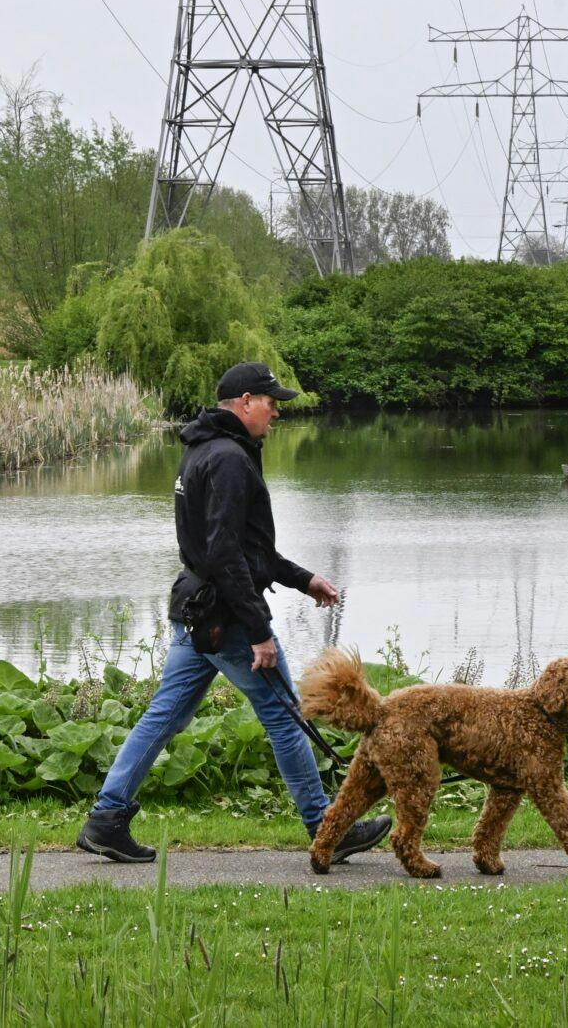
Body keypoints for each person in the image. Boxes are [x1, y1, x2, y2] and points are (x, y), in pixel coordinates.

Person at [74, 362, 392, 865]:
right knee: (286, 719)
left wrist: (302, 579)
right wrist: (260, 631)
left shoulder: (204, 449)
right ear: (245, 401)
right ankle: (326, 827)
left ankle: (107, 818)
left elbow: (242, 548)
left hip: (196, 610)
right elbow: (226, 555)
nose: (276, 412)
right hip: (226, 618)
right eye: (271, 402)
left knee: (164, 717)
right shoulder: (228, 459)